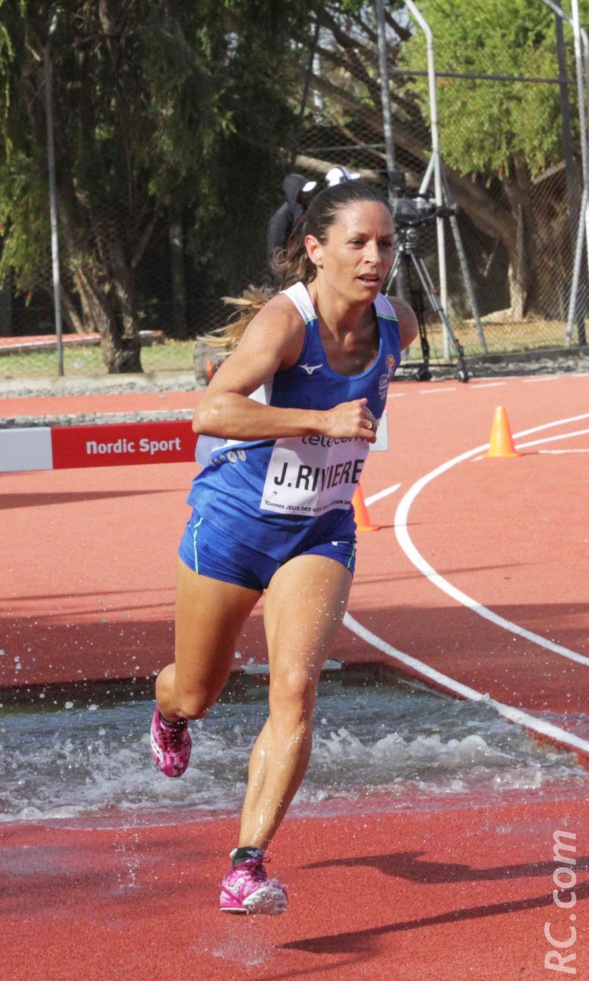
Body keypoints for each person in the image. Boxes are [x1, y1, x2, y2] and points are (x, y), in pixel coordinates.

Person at [150, 180, 418, 916]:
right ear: (314, 249)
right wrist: (318, 420)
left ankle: (245, 863)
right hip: (234, 523)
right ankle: (167, 711)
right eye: (356, 243)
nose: (373, 258)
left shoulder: (399, 324)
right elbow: (211, 410)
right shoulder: (283, 322)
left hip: (320, 528)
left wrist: (333, 434)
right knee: (196, 690)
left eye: (385, 243)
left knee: (296, 685)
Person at [266, 173, 318, 277]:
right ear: (295, 194)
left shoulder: (303, 212)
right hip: (287, 276)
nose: (309, 194)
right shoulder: (280, 220)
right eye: (304, 192)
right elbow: (276, 253)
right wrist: (283, 278)